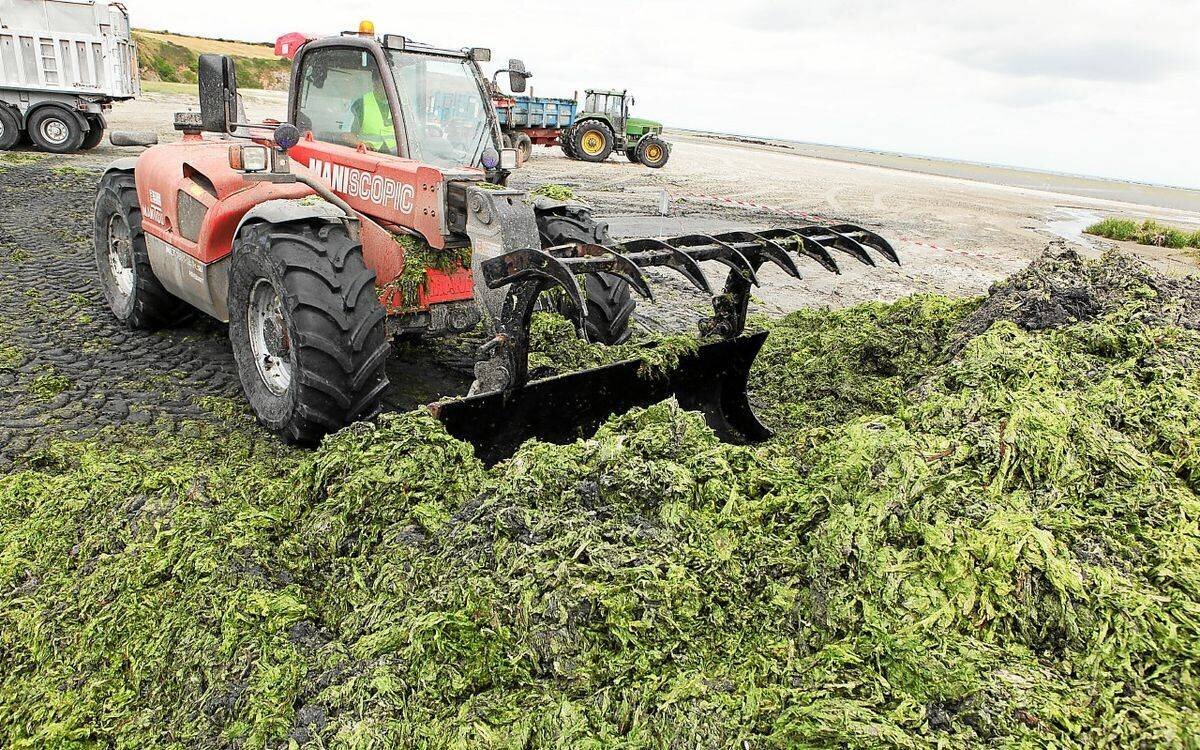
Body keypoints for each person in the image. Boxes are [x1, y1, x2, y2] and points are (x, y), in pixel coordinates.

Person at [341, 72, 397, 154]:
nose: (389, 86)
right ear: (375, 83)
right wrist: (362, 144)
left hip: (396, 157)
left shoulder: (400, 104)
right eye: (385, 82)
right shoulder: (360, 105)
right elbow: (346, 135)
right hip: (368, 156)